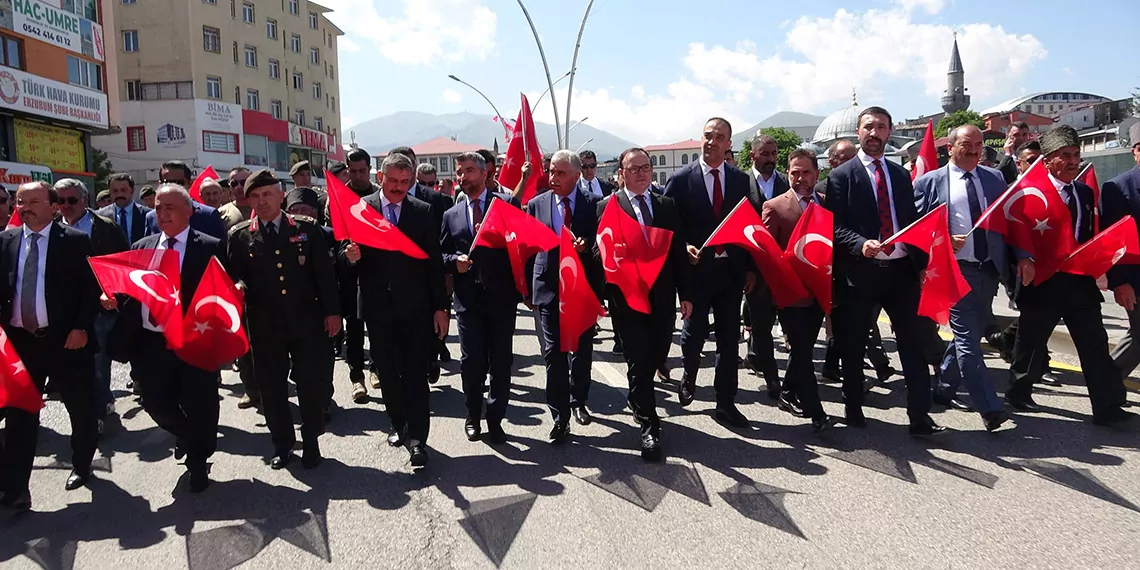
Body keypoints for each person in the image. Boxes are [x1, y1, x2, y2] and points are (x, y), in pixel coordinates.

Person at [1004, 125, 1132, 425]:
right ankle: (1017, 391)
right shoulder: (1029, 192)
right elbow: (1015, 231)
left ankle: (1107, 407)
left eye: (1076, 154)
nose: (1074, 161)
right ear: (1048, 160)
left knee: (1095, 344)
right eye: (1065, 155)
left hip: (1079, 282)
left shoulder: (1085, 192)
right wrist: (1024, 259)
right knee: (1030, 343)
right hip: (1043, 282)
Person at [826, 106, 942, 436]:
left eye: (881, 127)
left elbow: (911, 221)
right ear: (858, 133)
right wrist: (859, 243)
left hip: (901, 271)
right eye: (868, 128)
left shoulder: (901, 175)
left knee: (913, 344)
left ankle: (920, 416)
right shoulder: (841, 176)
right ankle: (853, 407)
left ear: (889, 132)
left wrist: (921, 262)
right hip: (861, 273)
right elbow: (834, 227)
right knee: (854, 343)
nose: (874, 133)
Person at [107, 184, 225, 492]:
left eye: (170, 207)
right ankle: (187, 435)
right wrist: (109, 297)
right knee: (154, 401)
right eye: (158, 208)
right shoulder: (142, 246)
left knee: (200, 401)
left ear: (189, 212)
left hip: (193, 339)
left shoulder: (209, 246)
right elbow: (127, 290)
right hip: (151, 341)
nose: (163, 213)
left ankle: (198, 461)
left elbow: (225, 286)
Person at [225, 169, 341, 469]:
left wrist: (332, 312)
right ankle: (283, 443)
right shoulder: (240, 236)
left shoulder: (306, 228)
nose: (262, 202)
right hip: (264, 325)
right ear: (248, 200)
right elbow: (233, 275)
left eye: (267, 194)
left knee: (310, 384)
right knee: (272, 388)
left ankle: (312, 439)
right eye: (255, 196)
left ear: (280, 195)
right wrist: (237, 285)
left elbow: (324, 277)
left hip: (306, 321)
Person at [0, 181, 100, 510]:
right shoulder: (6, 241)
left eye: (32, 201)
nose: (24, 207)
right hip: (20, 345)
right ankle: (16, 488)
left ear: (52, 205)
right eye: (20, 201)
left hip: (66, 342)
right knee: (19, 416)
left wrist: (81, 327)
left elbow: (90, 290)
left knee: (80, 409)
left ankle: (82, 464)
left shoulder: (74, 241)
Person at [343, 153, 447, 467]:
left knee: (415, 375)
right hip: (376, 309)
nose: (399, 188)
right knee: (388, 373)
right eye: (394, 181)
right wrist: (348, 256)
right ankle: (398, 422)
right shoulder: (360, 210)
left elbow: (433, 264)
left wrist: (440, 308)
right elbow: (341, 257)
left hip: (414, 308)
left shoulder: (422, 212)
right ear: (380, 176)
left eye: (406, 182)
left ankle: (418, 440)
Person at [914, 125, 1011, 431]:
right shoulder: (930, 182)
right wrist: (941, 237)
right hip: (954, 270)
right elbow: (915, 229)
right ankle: (989, 407)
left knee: (968, 332)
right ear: (951, 148)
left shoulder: (994, 178)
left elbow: (1006, 219)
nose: (974, 150)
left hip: (987, 269)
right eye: (967, 144)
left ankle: (943, 388)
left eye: (979, 145)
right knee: (969, 340)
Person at [597, 148, 692, 459]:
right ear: (621, 174)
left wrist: (686, 294)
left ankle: (638, 396)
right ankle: (650, 427)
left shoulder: (666, 205)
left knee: (657, 354)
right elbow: (599, 252)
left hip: (662, 296)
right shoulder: (607, 206)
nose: (641, 173)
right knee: (638, 358)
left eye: (646, 167)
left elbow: (678, 252)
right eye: (633, 168)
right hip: (627, 299)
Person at [664, 117, 756, 428]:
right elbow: (668, 227)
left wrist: (751, 268)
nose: (711, 141)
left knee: (729, 341)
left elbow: (750, 226)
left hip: (730, 273)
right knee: (693, 337)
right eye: (707, 135)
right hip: (696, 274)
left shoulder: (741, 180)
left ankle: (725, 402)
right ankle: (689, 371)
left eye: (719, 137)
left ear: (729, 144)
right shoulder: (681, 180)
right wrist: (684, 247)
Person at [441, 151, 520, 444]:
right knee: (471, 362)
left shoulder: (507, 204)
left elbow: (520, 245)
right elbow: (442, 253)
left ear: (484, 174)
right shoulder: (451, 214)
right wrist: (454, 261)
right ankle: (473, 415)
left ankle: (496, 418)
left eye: (470, 171)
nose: (464, 177)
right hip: (468, 301)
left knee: (500, 362)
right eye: (460, 172)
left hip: (501, 299)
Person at [527, 150, 602, 439]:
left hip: (580, 289)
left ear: (575, 175)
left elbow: (602, 247)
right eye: (551, 172)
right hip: (547, 288)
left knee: (580, 351)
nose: (553, 178)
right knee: (553, 354)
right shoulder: (537, 205)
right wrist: (527, 288)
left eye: (560, 173)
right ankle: (560, 416)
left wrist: (586, 248)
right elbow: (529, 249)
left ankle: (578, 400)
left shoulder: (593, 204)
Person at [760, 149, 833, 432]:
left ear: (816, 174)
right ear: (787, 173)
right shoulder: (775, 206)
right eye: (794, 172)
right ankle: (816, 412)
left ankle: (788, 392)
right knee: (802, 352)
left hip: (819, 290)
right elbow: (766, 251)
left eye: (805, 172)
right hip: (790, 293)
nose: (800, 178)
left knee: (802, 349)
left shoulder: (827, 205)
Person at [56, 178, 129, 434]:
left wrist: (115, 297)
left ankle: (95, 415)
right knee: (73, 364)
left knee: (98, 361)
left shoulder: (107, 228)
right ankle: (102, 399)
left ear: (84, 200)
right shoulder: (52, 230)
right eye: (60, 201)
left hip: (101, 307)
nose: (65, 206)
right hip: (66, 310)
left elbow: (123, 266)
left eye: (72, 200)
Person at [389, 146, 455, 383]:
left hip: (429, 277)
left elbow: (444, 242)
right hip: (396, 287)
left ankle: (431, 357)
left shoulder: (435, 201)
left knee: (432, 324)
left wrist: (446, 275)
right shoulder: (379, 202)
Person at [285, 186, 341, 422]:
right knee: (300, 363)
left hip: (323, 307)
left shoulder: (329, 235)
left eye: (305, 210)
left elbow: (338, 271)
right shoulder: (282, 233)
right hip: (292, 309)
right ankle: (306, 396)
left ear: (316, 212)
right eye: (294, 210)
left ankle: (323, 400)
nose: (300, 215)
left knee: (323, 357)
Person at [744, 133, 791, 398]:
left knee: (788, 323)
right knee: (761, 325)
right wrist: (747, 269)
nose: (771, 159)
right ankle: (772, 378)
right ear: (753, 155)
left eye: (774, 154)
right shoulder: (741, 184)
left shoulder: (787, 184)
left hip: (784, 267)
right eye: (765, 154)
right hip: (756, 270)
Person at [340, 148, 380, 400]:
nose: (358, 176)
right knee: (353, 328)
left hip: (376, 270)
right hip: (348, 272)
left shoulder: (378, 194)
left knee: (377, 326)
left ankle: (377, 369)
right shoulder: (337, 196)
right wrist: (346, 252)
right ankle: (357, 377)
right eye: (353, 171)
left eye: (362, 171)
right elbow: (332, 234)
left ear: (369, 169)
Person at [217, 166, 258, 408]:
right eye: (234, 183)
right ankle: (250, 388)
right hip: (235, 286)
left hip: (268, 287)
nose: (239, 187)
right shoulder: (221, 215)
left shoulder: (266, 206)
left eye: (244, 181)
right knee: (243, 343)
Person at [1103, 122, 1140, 381]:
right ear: (1134, 152)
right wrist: (1120, 282)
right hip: (1136, 278)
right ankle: (1108, 382)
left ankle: (1107, 383)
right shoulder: (1118, 188)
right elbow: (1112, 242)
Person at [145, 161, 226, 240]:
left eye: (178, 182)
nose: (172, 187)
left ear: (189, 183)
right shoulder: (152, 218)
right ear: (160, 184)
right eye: (167, 182)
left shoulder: (208, 216)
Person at [99, 173, 152, 245]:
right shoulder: (100, 216)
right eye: (115, 191)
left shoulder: (148, 215)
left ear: (132, 191)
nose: (119, 194)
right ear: (110, 192)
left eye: (123, 190)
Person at [218, 167, 252, 231]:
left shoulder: (262, 208)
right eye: (234, 183)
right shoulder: (221, 212)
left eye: (243, 182)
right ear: (229, 185)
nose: (239, 187)